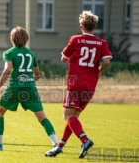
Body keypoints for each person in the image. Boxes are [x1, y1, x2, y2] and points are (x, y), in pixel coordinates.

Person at [45, 10, 112, 158]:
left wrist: (72, 56)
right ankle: (59, 147)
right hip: (90, 85)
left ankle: (84, 140)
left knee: (67, 115)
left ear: (81, 27)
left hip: (75, 84)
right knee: (73, 116)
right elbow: (107, 61)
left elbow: (63, 59)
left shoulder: (75, 40)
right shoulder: (102, 43)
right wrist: (99, 70)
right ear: (95, 27)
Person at [0, 26, 58, 151]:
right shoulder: (31, 53)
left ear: (12, 39)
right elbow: (38, 74)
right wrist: (29, 82)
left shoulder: (8, 53)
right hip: (30, 87)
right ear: (26, 39)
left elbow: (7, 70)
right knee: (42, 116)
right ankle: (56, 144)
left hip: (14, 87)